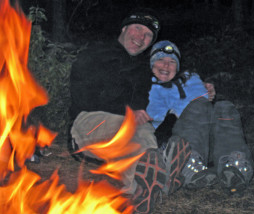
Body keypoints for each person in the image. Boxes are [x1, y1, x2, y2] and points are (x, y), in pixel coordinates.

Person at [69, 10, 191, 213]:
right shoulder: (95, 54)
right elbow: (83, 97)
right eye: (137, 29)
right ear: (124, 28)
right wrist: (126, 113)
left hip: (124, 131)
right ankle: (160, 177)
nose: (140, 38)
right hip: (86, 125)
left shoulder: (143, 71)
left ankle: (142, 191)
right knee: (128, 126)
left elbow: (147, 104)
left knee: (142, 130)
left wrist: (204, 90)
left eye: (148, 35)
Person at [146, 40, 254, 195]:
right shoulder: (143, 86)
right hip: (169, 144)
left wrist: (203, 91)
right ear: (151, 63)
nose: (166, 66)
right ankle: (188, 164)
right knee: (197, 106)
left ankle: (232, 165)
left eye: (171, 62)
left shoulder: (188, 81)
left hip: (203, 140)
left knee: (225, 107)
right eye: (160, 60)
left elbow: (203, 103)